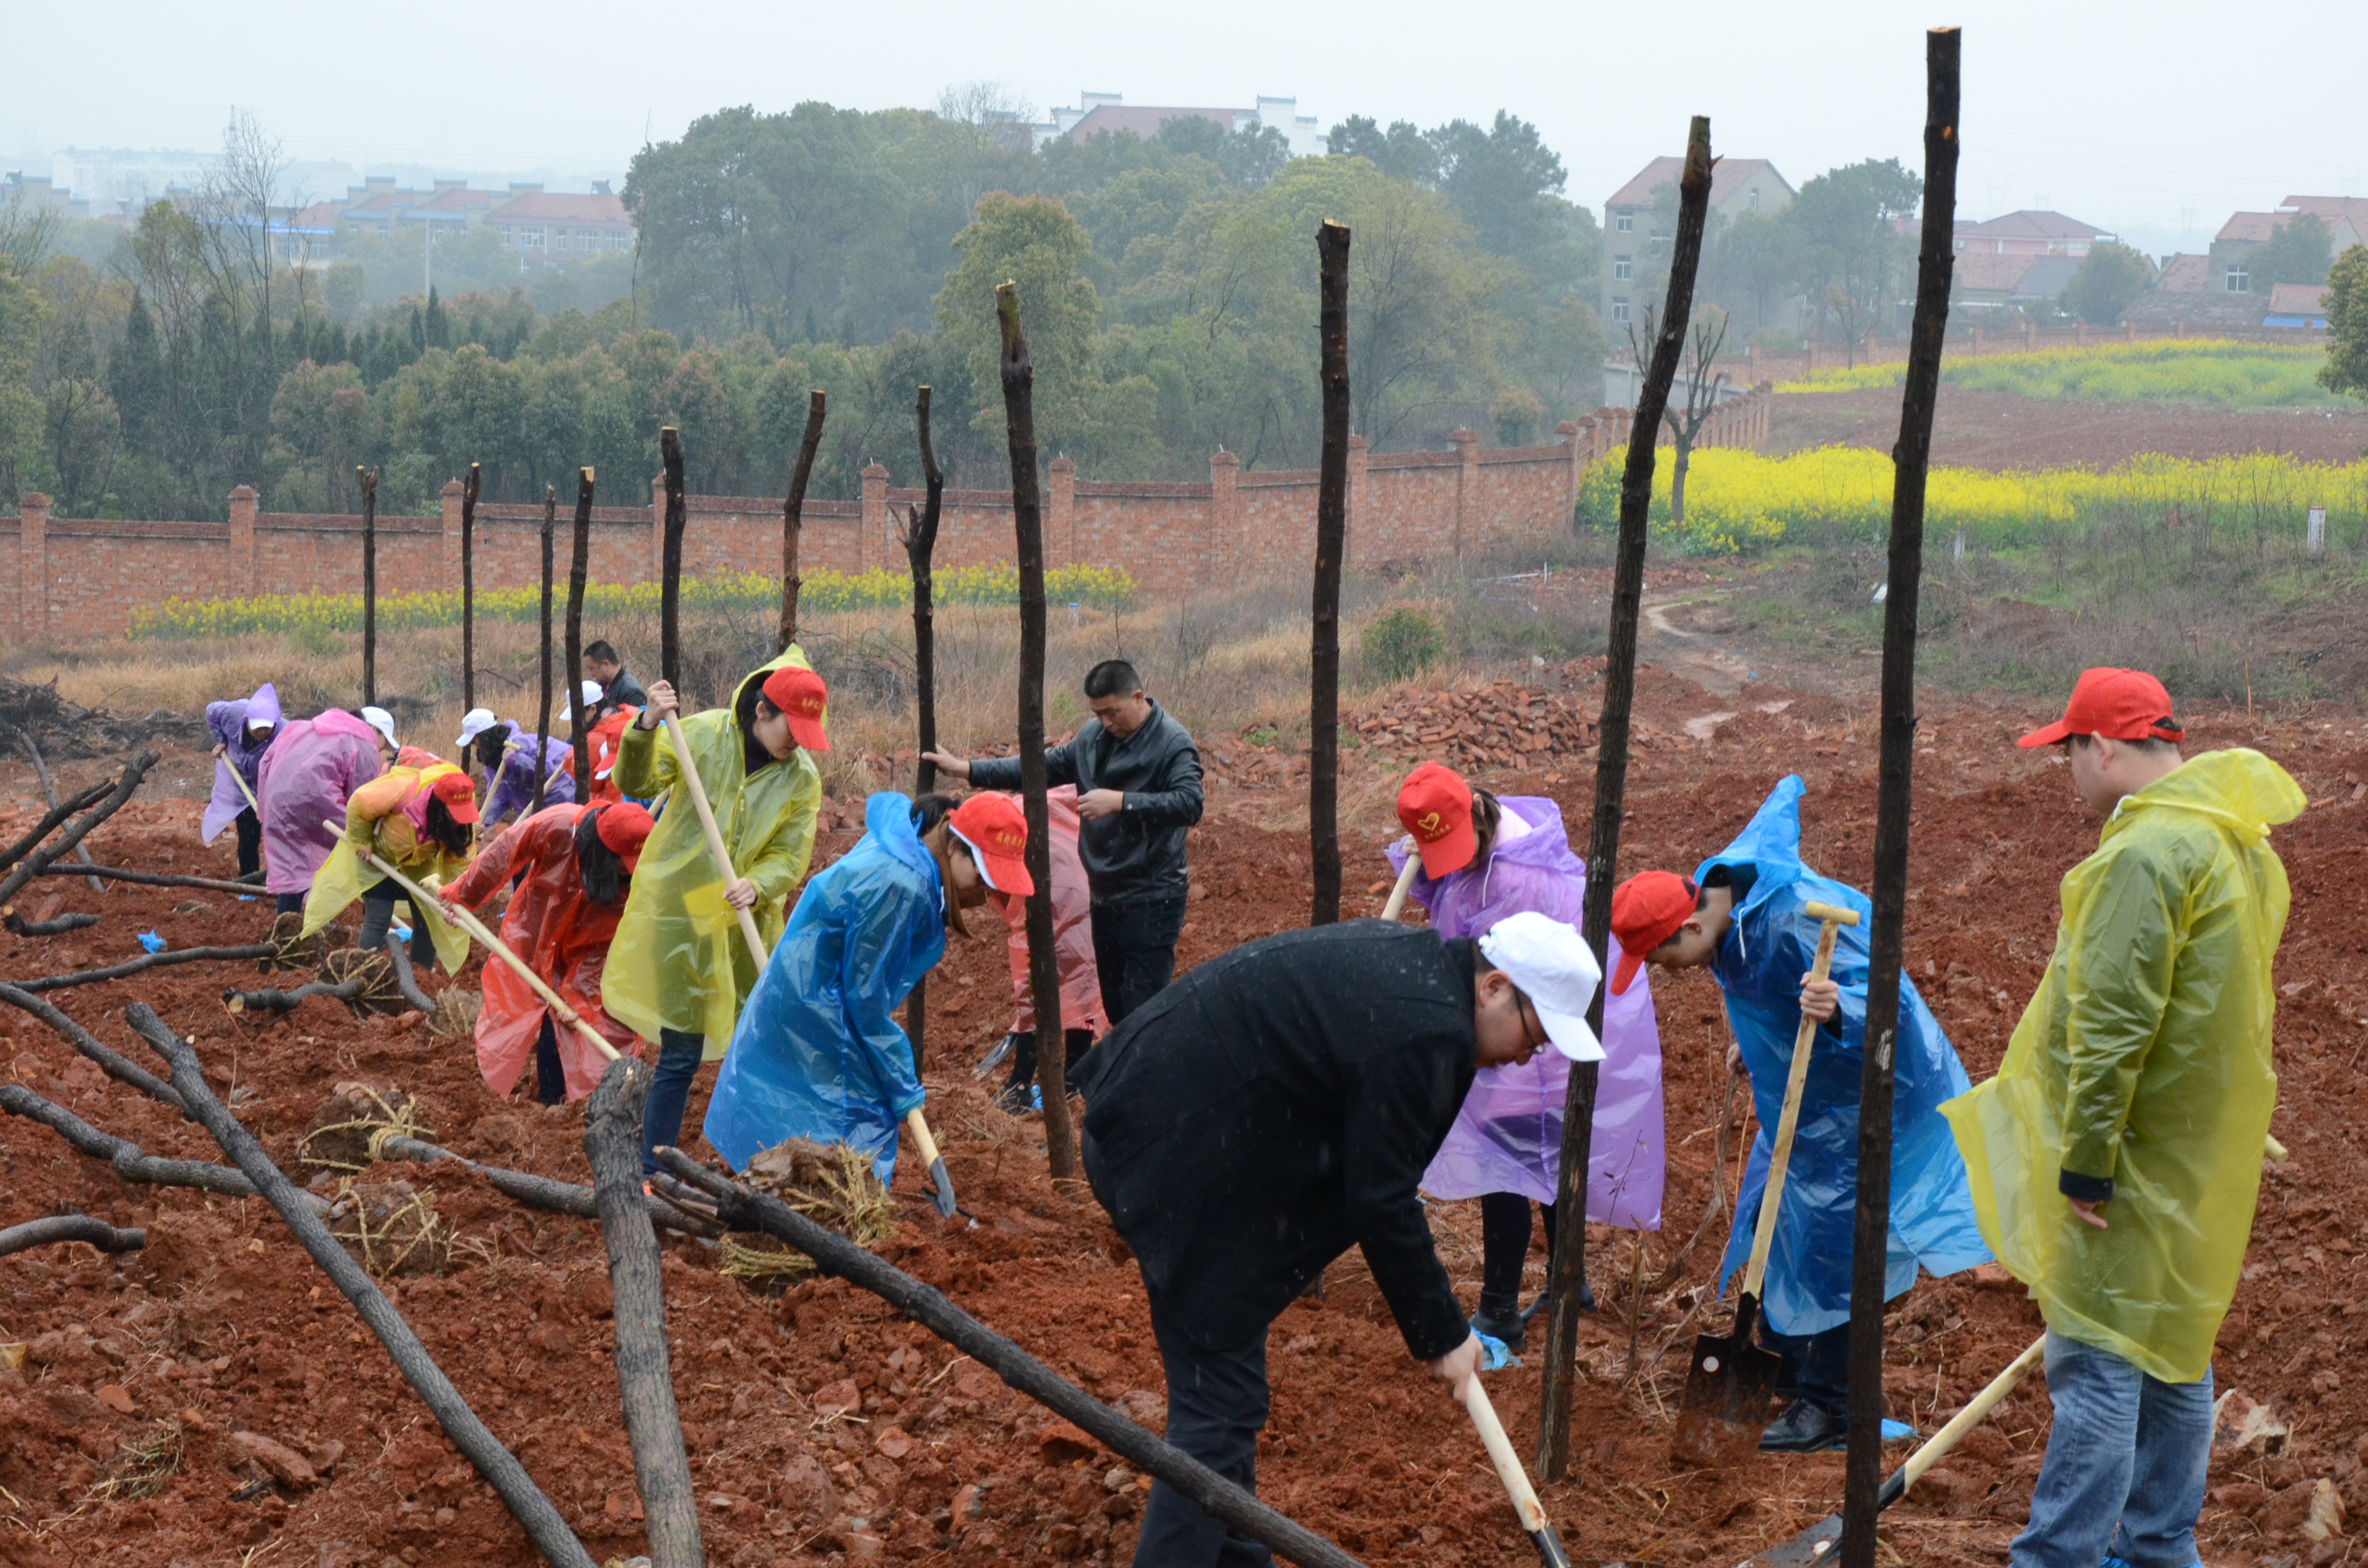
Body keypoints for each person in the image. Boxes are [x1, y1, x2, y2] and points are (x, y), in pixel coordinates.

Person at [1075, 911, 1602, 1567]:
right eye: (1537, 1034)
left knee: (1223, 1402)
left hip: (1172, 1130)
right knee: (1217, 1410)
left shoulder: (1423, 974)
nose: (1530, 1055)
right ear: (1496, 986)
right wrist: (1441, 1335)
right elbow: (1380, 1197)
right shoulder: (1428, 1028)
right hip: (1168, 1152)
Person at [1941, 669, 2301, 1568]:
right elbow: (2231, 1010)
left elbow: (2113, 1021)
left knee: (2099, 1362)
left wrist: (2088, 1160)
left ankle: (2057, 1557)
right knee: (2173, 1349)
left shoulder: (2145, 856)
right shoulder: (2236, 844)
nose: (2065, 769)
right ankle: (2161, 1551)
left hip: (2132, 1154)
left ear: (2103, 746)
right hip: (2192, 1153)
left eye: (2067, 750)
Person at [1611, 775, 1990, 1452]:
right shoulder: (1725, 908)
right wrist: (1760, 1041)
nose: (1665, 972)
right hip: (1811, 1101)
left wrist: (1841, 1009)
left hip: (1873, 1106)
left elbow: (1893, 1007)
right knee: (1772, 1223)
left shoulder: (1790, 923)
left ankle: (1833, 1409)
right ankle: (1790, 1370)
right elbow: (1764, 993)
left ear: (1692, 925)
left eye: (1663, 957)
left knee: (1832, 1252)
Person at [1385, 762, 1664, 1347]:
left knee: (1506, 1158)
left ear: (1474, 823)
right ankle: (1571, 1280)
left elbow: (1465, 949)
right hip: (1544, 1021)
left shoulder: (1512, 880)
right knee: (1546, 1150)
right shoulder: (1498, 832)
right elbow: (1446, 888)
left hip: (1536, 1030)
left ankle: (1498, 1311)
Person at [703, 792, 1018, 1177]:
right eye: (984, 877)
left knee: (823, 1116)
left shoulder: (908, 847)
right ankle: (815, 1209)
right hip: (816, 1004)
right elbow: (864, 997)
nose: (985, 895)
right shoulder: (903, 885)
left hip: (810, 991)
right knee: (856, 1115)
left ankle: (794, 1199)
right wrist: (901, 1080)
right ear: (954, 846)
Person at [603, 653, 827, 1173]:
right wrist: (644, 725)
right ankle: (652, 1171)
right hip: (681, 916)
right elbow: (635, 779)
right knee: (680, 1053)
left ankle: (756, 1164)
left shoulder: (802, 779)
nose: (797, 743)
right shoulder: (699, 736)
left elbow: (792, 853)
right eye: (791, 729)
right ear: (762, 713)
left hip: (741, 921)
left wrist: (759, 883)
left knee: (752, 1047)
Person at [923, 658, 1202, 1024]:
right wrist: (969, 769)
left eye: (1112, 712)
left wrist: (1120, 802)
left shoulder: (1173, 743)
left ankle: (1151, 1077)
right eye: (1098, 713)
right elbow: (1039, 767)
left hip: (1153, 895)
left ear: (1138, 697)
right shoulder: (1092, 738)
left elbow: (1189, 803)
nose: (1106, 722)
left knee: (1143, 1010)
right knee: (1117, 1008)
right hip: (1104, 893)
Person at [440, 799, 655, 1106]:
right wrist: (462, 896)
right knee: (543, 1002)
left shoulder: (637, 871)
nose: (628, 869)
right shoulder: (557, 826)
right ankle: (552, 1100)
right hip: (539, 925)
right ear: (601, 850)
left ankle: (600, 1096)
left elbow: (631, 935)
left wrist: (582, 1002)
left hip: (597, 940)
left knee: (590, 1014)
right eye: (622, 861)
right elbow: (503, 853)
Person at [985, 784, 1106, 1114]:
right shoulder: (1042, 806)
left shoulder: (1012, 820)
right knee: (1079, 989)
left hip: (1059, 899)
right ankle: (1071, 1081)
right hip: (1081, 896)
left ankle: (1022, 1084)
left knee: (1038, 989)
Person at [301, 755, 479, 972]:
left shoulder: (461, 829)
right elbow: (359, 803)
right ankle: (365, 973)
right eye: (453, 814)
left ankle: (420, 976)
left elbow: (459, 868)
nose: (458, 820)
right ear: (438, 803)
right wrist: (362, 841)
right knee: (379, 918)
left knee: (428, 918)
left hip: (419, 867)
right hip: (378, 856)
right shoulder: (402, 791)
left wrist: (454, 901)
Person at [256, 706, 384, 916]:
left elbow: (265, 764)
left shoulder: (297, 729)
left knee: (291, 871)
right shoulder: (361, 742)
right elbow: (362, 797)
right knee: (331, 863)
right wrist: (364, 835)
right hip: (320, 808)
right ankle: (322, 926)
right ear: (366, 726)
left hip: (279, 803)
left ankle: (286, 927)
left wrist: (265, 808)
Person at [202, 683, 283, 879]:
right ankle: (249, 884)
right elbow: (211, 711)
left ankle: (283, 884)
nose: (262, 732)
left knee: (279, 839)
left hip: (272, 789)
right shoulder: (232, 713)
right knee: (248, 839)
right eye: (257, 728)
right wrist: (221, 740)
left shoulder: (284, 732)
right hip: (241, 785)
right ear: (246, 720)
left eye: (266, 728)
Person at [469, 717, 577, 826]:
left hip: (564, 794)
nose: (474, 744)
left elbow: (546, 771)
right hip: (536, 809)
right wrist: (482, 822)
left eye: (474, 740)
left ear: (485, 736)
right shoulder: (491, 764)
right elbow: (500, 795)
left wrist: (517, 760)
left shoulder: (522, 743)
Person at [584, 640, 648, 710]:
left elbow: (637, 720)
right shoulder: (603, 686)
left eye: (592, 668)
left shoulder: (631, 692)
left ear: (606, 664)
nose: (592, 674)